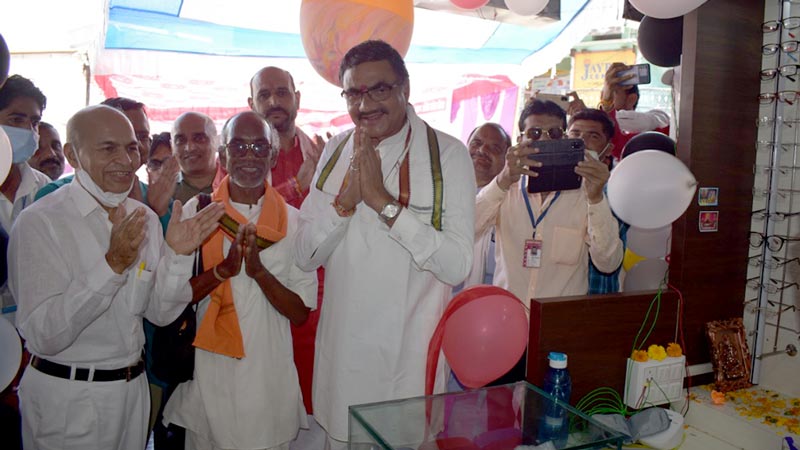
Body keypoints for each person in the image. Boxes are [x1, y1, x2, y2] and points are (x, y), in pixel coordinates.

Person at [8, 104, 224, 450]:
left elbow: (160, 313)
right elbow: (44, 335)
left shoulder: (144, 217)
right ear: (73, 155)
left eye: (132, 148)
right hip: (68, 397)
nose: (126, 160)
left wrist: (178, 257)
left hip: (132, 392)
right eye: (108, 148)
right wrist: (111, 267)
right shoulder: (41, 221)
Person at [294, 39, 475, 448]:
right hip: (342, 363)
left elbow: (457, 265)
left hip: (404, 368)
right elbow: (304, 255)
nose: (365, 105)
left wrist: (384, 204)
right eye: (353, 93)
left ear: (404, 89)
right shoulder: (336, 151)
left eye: (379, 89)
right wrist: (344, 204)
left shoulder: (448, 155)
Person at [163, 111, 317, 450]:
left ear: (273, 157)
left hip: (268, 388)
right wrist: (223, 271)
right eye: (239, 146)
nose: (249, 156)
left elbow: (300, 313)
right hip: (209, 384)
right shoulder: (197, 213)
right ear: (223, 155)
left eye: (260, 147)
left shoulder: (294, 222)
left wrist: (260, 273)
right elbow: (170, 300)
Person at [476, 99, 623, 304]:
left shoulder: (586, 191)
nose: (544, 140)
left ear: (564, 138)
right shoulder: (505, 187)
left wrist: (596, 198)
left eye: (553, 133)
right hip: (508, 314)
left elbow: (608, 263)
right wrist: (502, 180)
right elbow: (468, 230)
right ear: (520, 139)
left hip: (560, 318)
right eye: (534, 133)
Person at [248, 66, 325, 428]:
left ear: (297, 99)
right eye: (264, 95)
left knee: (312, 412)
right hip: (258, 300)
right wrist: (296, 186)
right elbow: (240, 221)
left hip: (315, 306)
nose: (274, 101)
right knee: (265, 411)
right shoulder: (238, 158)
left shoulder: (322, 154)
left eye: (282, 92)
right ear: (251, 103)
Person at [0, 74, 51, 317]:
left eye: (34, 122)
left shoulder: (45, 188)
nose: (28, 130)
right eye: (16, 120)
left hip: (35, 322)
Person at [564, 108, 629, 294]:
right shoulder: (552, 187)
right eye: (575, 134)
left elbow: (608, 258)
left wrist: (596, 198)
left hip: (597, 294)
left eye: (593, 136)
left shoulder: (616, 192)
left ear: (608, 149)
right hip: (558, 297)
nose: (582, 142)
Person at [569, 63, 669, 162]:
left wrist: (602, 107)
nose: (582, 140)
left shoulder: (650, 122)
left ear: (631, 99)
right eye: (575, 133)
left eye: (613, 93)